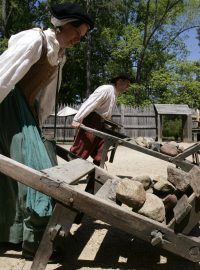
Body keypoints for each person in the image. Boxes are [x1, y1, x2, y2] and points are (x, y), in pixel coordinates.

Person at [0, 2, 94, 259]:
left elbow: (45, 94)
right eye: (77, 32)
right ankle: (36, 240)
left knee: (17, 174)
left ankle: (14, 234)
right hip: (7, 106)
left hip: (24, 110)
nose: (78, 39)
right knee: (33, 167)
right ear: (63, 25)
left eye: (82, 36)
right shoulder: (34, 40)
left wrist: (37, 122)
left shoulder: (58, 54)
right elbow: (3, 76)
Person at [70, 74, 132, 166]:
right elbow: (90, 103)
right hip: (91, 121)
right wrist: (77, 119)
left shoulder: (115, 93)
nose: (128, 87)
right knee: (82, 148)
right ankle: (70, 169)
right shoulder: (106, 89)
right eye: (127, 84)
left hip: (100, 124)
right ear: (119, 81)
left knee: (102, 149)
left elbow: (105, 112)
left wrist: (107, 123)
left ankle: (96, 174)